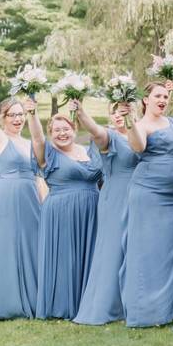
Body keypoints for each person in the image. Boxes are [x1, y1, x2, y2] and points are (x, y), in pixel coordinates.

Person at [119, 81, 173, 327]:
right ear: (145, 99)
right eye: (158, 95)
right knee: (147, 251)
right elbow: (138, 146)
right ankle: (145, 310)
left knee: (170, 251)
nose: (162, 100)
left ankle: (169, 305)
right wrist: (128, 122)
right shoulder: (140, 125)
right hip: (148, 194)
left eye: (166, 96)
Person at [0, 57, 39, 321]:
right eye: (12, 115)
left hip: (30, 198)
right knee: (7, 246)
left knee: (31, 245)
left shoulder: (28, 143)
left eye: (20, 115)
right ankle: (6, 304)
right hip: (5, 197)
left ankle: (35, 300)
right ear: (2, 118)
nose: (17, 119)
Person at [27, 103, 102, 319]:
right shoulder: (48, 154)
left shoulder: (89, 151)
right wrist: (32, 114)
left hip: (92, 211)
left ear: (74, 129)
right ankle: (63, 306)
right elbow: (37, 139)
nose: (62, 133)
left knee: (90, 256)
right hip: (61, 212)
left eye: (66, 128)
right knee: (66, 258)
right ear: (51, 134)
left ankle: (88, 304)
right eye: (57, 130)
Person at [72, 100, 139, 325]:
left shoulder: (139, 134)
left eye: (123, 111)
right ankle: (108, 304)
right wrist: (81, 112)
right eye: (114, 112)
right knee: (112, 249)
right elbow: (93, 129)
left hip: (140, 196)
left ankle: (134, 302)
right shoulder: (107, 136)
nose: (119, 116)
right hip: (115, 196)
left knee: (134, 247)